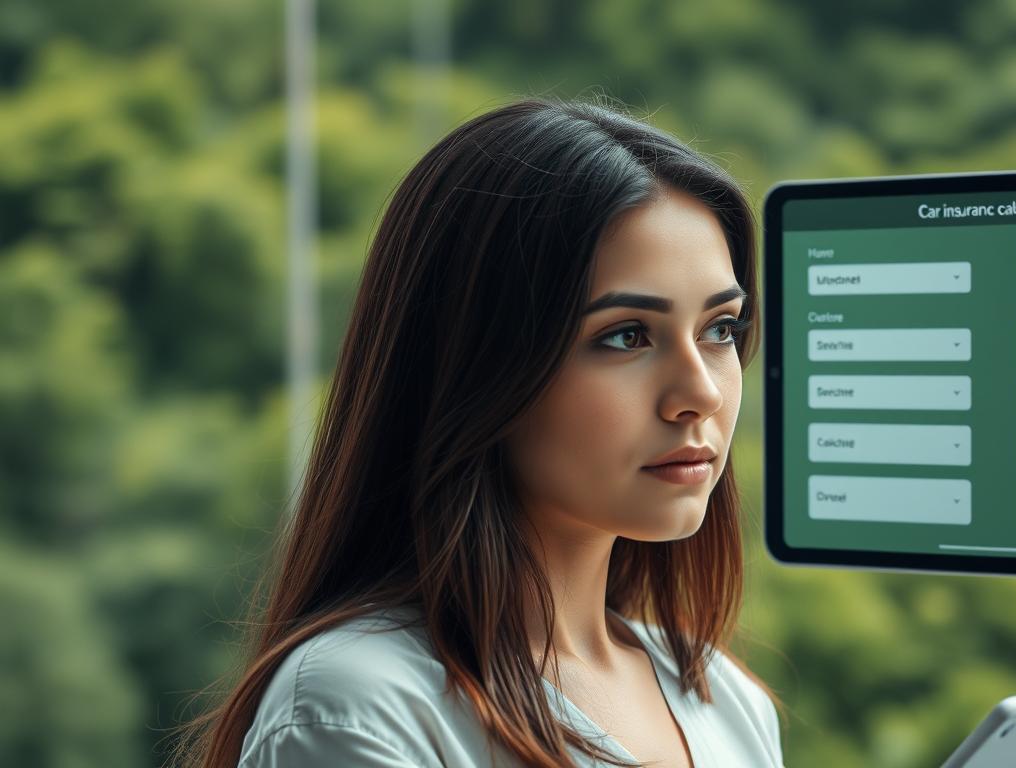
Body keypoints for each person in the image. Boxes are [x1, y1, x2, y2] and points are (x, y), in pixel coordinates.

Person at [172, 98, 784, 768]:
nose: (700, 392)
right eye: (626, 336)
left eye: (720, 329)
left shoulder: (724, 700)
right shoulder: (362, 709)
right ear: (476, 363)